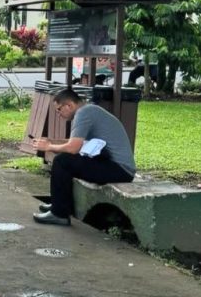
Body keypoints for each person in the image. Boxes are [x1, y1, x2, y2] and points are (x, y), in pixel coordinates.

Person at [32, 87, 135, 226]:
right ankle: (59, 205)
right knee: (65, 160)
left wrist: (48, 147)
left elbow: (73, 148)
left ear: (69, 105)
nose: (58, 114)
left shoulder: (83, 113)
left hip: (120, 170)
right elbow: (75, 143)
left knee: (62, 161)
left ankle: (59, 214)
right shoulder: (88, 111)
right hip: (116, 166)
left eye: (59, 109)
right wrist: (50, 141)